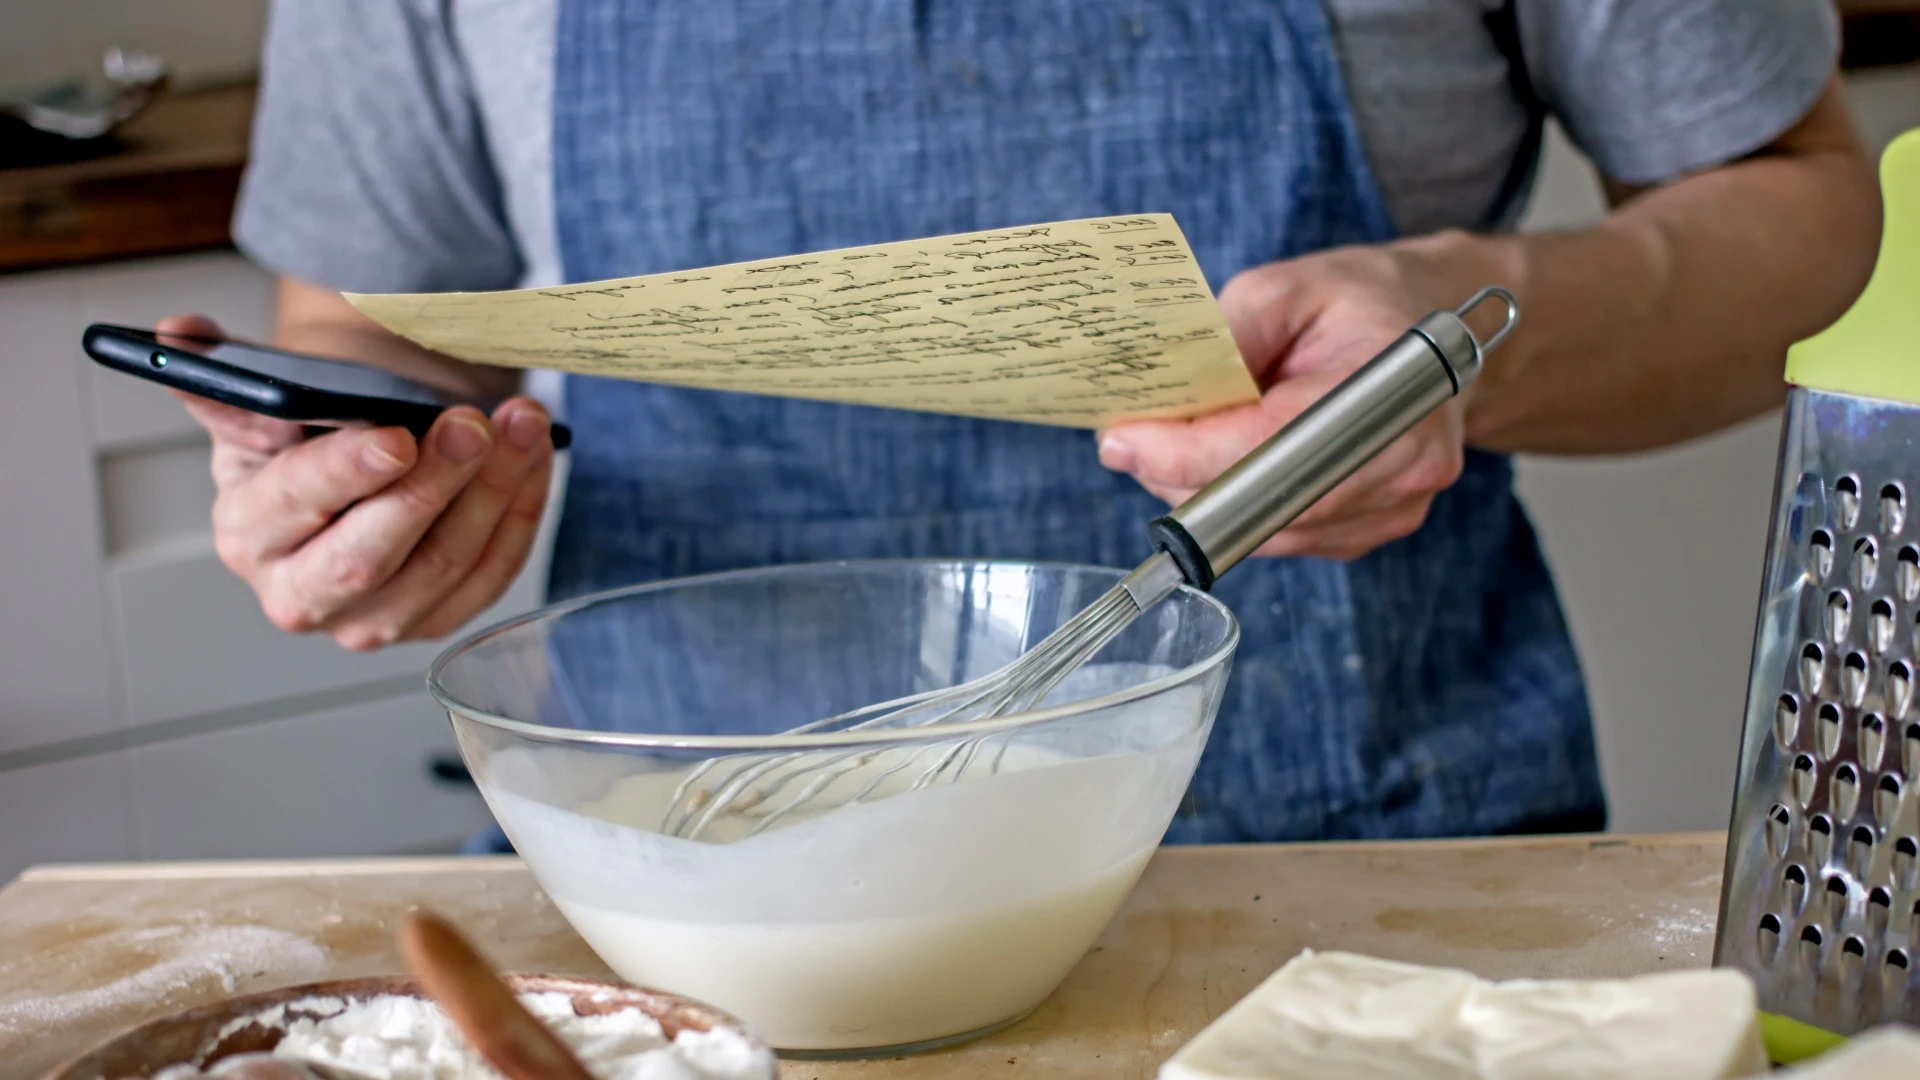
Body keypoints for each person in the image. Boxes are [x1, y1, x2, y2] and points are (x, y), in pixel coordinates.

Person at [169, 0, 1877, 847]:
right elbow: (365, 315)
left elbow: (1802, 213)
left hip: (1361, 878)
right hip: (670, 878)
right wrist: (367, 482)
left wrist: (1465, 328)